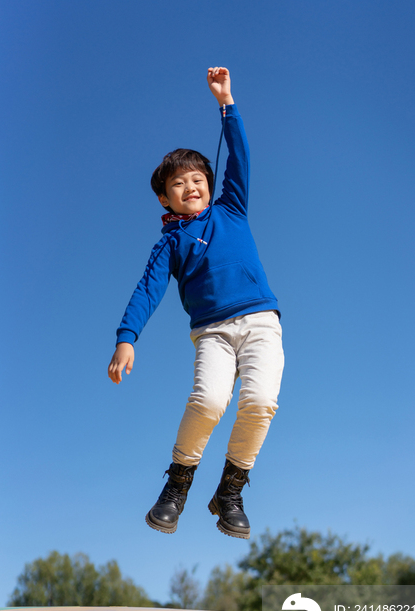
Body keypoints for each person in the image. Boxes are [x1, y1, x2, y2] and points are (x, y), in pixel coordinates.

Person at [108, 67, 284, 539]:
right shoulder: (169, 242)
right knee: (208, 400)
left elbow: (240, 157)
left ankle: (229, 491)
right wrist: (127, 339)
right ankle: (178, 485)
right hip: (212, 331)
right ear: (165, 198)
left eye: (196, 178)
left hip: (261, 321)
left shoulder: (231, 209)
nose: (190, 187)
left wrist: (226, 102)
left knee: (261, 401)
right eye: (178, 184)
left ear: (209, 183)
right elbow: (147, 289)